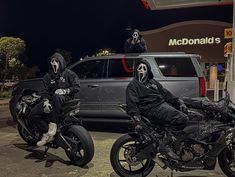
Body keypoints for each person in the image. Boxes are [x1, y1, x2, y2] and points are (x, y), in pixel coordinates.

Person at [126, 59, 188, 160]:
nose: (141, 70)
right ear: (137, 70)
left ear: (148, 71)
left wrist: (178, 102)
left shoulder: (153, 82)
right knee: (182, 118)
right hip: (152, 108)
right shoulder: (133, 85)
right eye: (140, 68)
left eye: (144, 68)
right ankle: (165, 145)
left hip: (161, 104)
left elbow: (165, 93)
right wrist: (137, 121)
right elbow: (131, 104)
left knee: (187, 107)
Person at [29, 52, 80, 146]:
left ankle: (53, 124)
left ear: (61, 62)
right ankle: (47, 133)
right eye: (52, 61)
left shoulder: (69, 74)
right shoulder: (47, 77)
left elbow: (76, 87)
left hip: (66, 99)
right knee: (33, 114)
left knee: (57, 96)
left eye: (56, 61)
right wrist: (45, 101)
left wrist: (65, 91)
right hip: (52, 100)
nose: (54, 63)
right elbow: (44, 91)